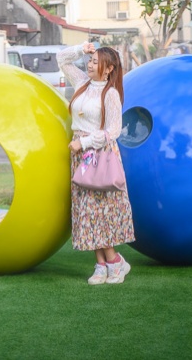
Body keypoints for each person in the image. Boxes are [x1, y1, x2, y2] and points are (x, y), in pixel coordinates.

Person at [58, 41, 134, 285]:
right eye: (90, 61)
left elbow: (113, 131)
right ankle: (101, 265)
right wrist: (83, 48)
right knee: (87, 211)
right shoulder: (82, 84)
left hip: (99, 154)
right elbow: (62, 59)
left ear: (109, 68)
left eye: (95, 62)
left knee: (100, 210)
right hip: (81, 154)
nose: (90, 65)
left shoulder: (110, 94)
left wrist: (86, 142)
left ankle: (114, 262)